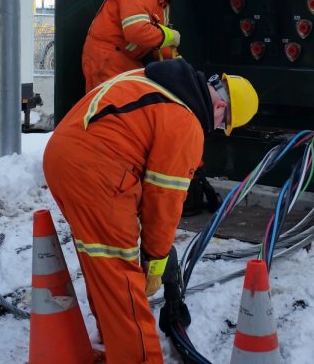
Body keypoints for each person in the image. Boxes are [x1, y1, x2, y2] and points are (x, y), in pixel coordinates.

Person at [42, 59, 258, 363]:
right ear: (221, 107)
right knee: (122, 275)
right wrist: (156, 260)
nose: (216, 129)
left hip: (64, 159)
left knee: (103, 264)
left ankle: (110, 338)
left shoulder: (153, 80)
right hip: (96, 170)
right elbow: (163, 202)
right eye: (223, 125)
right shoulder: (185, 122)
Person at [81, 0, 206, 92]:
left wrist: (179, 64)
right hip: (105, 58)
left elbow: (157, 43)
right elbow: (136, 31)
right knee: (109, 109)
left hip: (125, 59)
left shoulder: (162, 0)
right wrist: (170, 36)